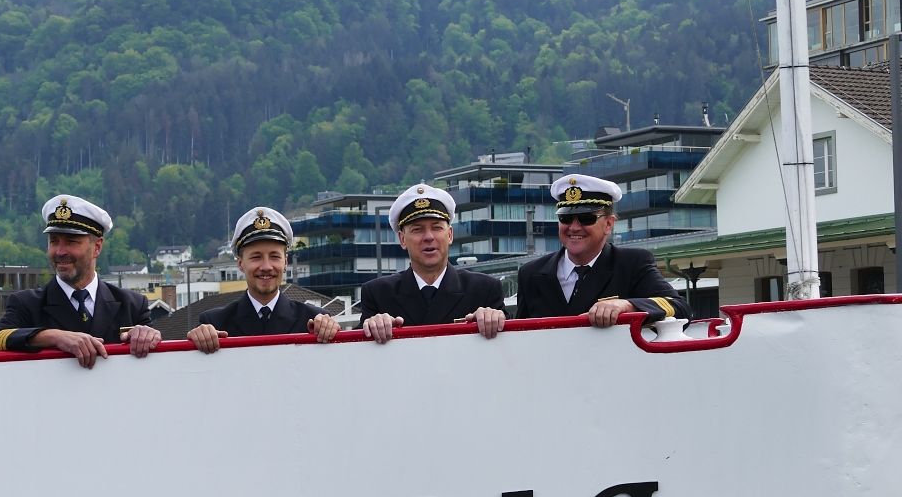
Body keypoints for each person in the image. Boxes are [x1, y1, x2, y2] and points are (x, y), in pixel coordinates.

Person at [0, 194, 161, 367]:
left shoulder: (132, 305)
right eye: (54, 241)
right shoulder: (27, 304)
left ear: (97, 247)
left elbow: (157, 359)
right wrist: (53, 337)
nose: (60, 252)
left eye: (71, 242)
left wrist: (148, 336)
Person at [515, 174, 690, 327]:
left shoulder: (631, 264)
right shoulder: (531, 274)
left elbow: (680, 308)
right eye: (565, 218)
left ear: (608, 224)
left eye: (586, 218)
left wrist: (628, 306)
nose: (574, 227)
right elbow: (519, 334)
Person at [359, 183, 506, 343]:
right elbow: (355, 350)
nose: (429, 237)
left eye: (437, 228)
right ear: (402, 239)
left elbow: (512, 345)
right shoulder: (379, 294)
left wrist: (495, 320)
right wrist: (372, 327)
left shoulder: (483, 290)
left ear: (450, 235)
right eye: (417, 230)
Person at [187, 206, 341, 353]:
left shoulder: (313, 322)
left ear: (285, 262)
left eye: (274, 256)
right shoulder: (215, 324)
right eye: (256, 257)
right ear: (240, 264)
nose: (266, 266)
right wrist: (197, 341)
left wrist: (333, 334)